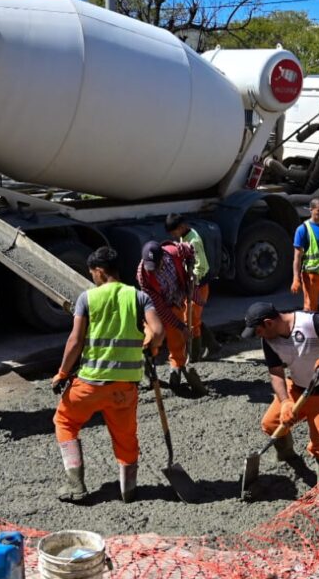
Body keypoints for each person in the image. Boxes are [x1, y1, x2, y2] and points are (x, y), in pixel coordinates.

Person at [51, 247, 164, 504]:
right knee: (125, 437)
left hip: (90, 384)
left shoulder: (87, 298)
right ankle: (129, 489)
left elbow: (75, 340)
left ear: (99, 271)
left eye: (93, 273)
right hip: (124, 388)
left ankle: (76, 485)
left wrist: (62, 373)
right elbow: (157, 331)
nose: (93, 278)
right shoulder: (138, 297)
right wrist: (150, 344)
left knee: (65, 422)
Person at [242, 301, 319, 484]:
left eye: (258, 330)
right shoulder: (269, 340)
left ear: (268, 323)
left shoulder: (309, 322)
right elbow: (275, 373)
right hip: (297, 388)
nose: (258, 335)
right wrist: (285, 402)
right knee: (271, 424)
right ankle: (287, 456)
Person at [137, 240, 207, 395]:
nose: (153, 271)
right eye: (150, 267)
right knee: (153, 336)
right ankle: (147, 369)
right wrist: (181, 326)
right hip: (154, 308)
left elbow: (189, 249)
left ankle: (176, 368)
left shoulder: (173, 253)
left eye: (156, 266)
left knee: (177, 339)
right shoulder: (143, 275)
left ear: (163, 258)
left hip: (175, 300)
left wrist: (190, 263)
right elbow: (161, 309)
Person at [164, 214, 220, 360]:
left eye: (173, 232)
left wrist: (191, 283)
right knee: (193, 317)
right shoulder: (185, 236)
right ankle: (213, 345)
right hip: (193, 284)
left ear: (181, 227)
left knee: (191, 320)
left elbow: (201, 266)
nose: (173, 236)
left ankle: (194, 355)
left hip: (198, 285)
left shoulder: (193, 241)